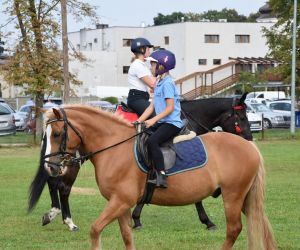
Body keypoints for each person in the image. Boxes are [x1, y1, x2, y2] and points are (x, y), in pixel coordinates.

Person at [137, 49, 183, 188]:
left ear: (161, 66)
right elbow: (152, 107)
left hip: (172, 123)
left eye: (152, 64)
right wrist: (139, 121)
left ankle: (161, 176)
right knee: (142, 136)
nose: (150, 67)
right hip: (162, 122)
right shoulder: (158, 83)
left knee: (152, 141)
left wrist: (153, 120)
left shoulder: (168, 83)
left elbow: (169, 108)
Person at [127, 37, 157, 116]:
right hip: (137, 99)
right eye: (148, 49)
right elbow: (152, 84)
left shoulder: (143, 66)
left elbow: (154, 82)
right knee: (156, 116)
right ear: (142, 50)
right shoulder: (137, 65)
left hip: (142, 97)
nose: (149, 52)